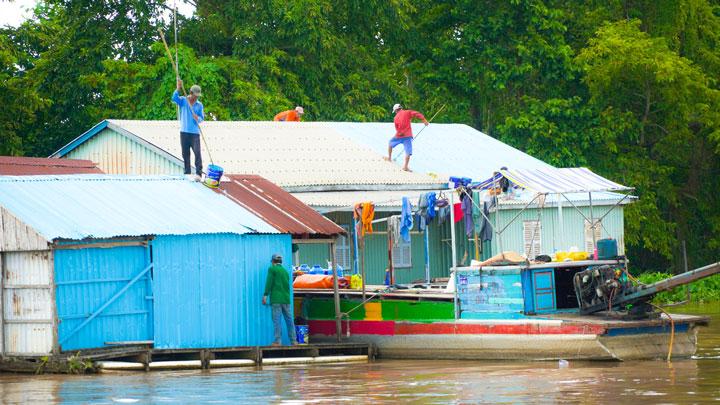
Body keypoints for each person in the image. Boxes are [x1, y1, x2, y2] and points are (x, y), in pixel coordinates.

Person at [172, 79, 205, 179]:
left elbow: (201, 118)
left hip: (194, 133)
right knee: (185, 154)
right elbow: (174, 98)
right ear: (191, 93)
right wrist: (178, 88)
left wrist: (197, 118)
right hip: (184, 132)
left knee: (197, 153)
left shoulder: (199, 105)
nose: (196, 98)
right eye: (195, 96)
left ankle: (199, 173)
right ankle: (187, 173)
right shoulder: (183, 100)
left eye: (197, 96)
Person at [262, 253, 297, 346]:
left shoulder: (272, 269)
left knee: (277, 320)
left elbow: (269, 282)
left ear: (273, 261)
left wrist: (265, 295)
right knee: (289, 320)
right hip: (286, 299)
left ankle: (278, 341)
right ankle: (294, 341)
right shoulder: (285, 271)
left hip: (276, 299)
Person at [385, 103, 429, 171]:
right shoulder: (407, 112)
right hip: (408, 136)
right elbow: (416, 114)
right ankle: (405, 166)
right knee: (408, 151)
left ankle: (389, 158)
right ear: (401, 108)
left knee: (390, 143)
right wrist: (424, 120)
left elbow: (396, 128)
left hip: (399, 135)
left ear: (396, 110)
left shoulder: (395, 118)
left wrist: (400, 133)